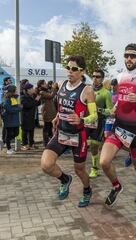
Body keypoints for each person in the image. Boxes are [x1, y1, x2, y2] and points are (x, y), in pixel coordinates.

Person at [100, 43, 136, 207]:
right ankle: (116, 186)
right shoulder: (119, 77)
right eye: (126, 55)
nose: (129, 59)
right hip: (118, 128)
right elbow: (120, 99)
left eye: (133, 56)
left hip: (135, 130)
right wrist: (115, 108)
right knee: (104, 162)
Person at [40, 55, 98, 207]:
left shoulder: (87, 90)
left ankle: (87, 190)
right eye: (68, 68)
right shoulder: (61, 84)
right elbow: (62, 105)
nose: (70, 71)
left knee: (79, 170)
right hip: (61, 133)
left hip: (78, 136)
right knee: (46, 165)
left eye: (74, 69)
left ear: (82, 71)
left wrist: (82, 120)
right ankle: (65, 179)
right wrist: (57, 116)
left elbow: (94, 116)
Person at [86, 69, 113, 178]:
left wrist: (99, 110)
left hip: (98, 122)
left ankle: (94, 168)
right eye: (93, 76)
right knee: (83, 144)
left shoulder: (106, 93)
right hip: (86, 120)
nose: (94, 78)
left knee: (93, 146)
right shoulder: (87, 90)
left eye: (97, 77)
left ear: (102, 79)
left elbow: (111, 111)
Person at [20, 83, 41, 150]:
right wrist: (36, 100)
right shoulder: (23, 97)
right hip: (26, 116)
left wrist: (38, 99)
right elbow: (27, 105)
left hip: (32, 116)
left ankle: (31, 144)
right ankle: (24, 144)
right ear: (28, 90)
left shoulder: (33, 95)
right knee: (25, 131)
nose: (33, 89)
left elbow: (37, 104)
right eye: (31, 88)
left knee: (31, 131)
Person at [2, 85, 22, 154]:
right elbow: (9, 109)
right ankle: (8, 148)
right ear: (12, 91)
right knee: (9, 134)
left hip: (14, 120)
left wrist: (18, 107)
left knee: (16, 133)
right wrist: (19, 108)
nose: (16, 91)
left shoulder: (14, 98)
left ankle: (5, 142)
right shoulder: (7, 99)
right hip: (9, 119)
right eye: (15, 90)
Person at [38, 80, 57, 147]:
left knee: (50, 128)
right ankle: (45, 143)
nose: (46, 84)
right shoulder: (42, 92)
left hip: (50, 112)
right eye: (45, 83)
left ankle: (50, 141)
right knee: (46, 128)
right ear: (41, 85)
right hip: (47, 112)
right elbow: (51, 96)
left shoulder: (46, 91)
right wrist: (54, 88)